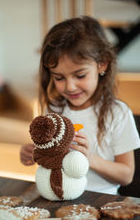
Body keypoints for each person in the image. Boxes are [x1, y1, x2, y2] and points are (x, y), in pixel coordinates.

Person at [20, 16, 140, 195]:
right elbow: (51, 161)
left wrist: (90, 159)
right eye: (59, 78)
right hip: (58, 196)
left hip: (102, 200)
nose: (70, 86)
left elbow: (126, 175)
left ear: (102, 65)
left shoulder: (117, 113)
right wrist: (35, 153)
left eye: (80, 75)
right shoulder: (53, 110)